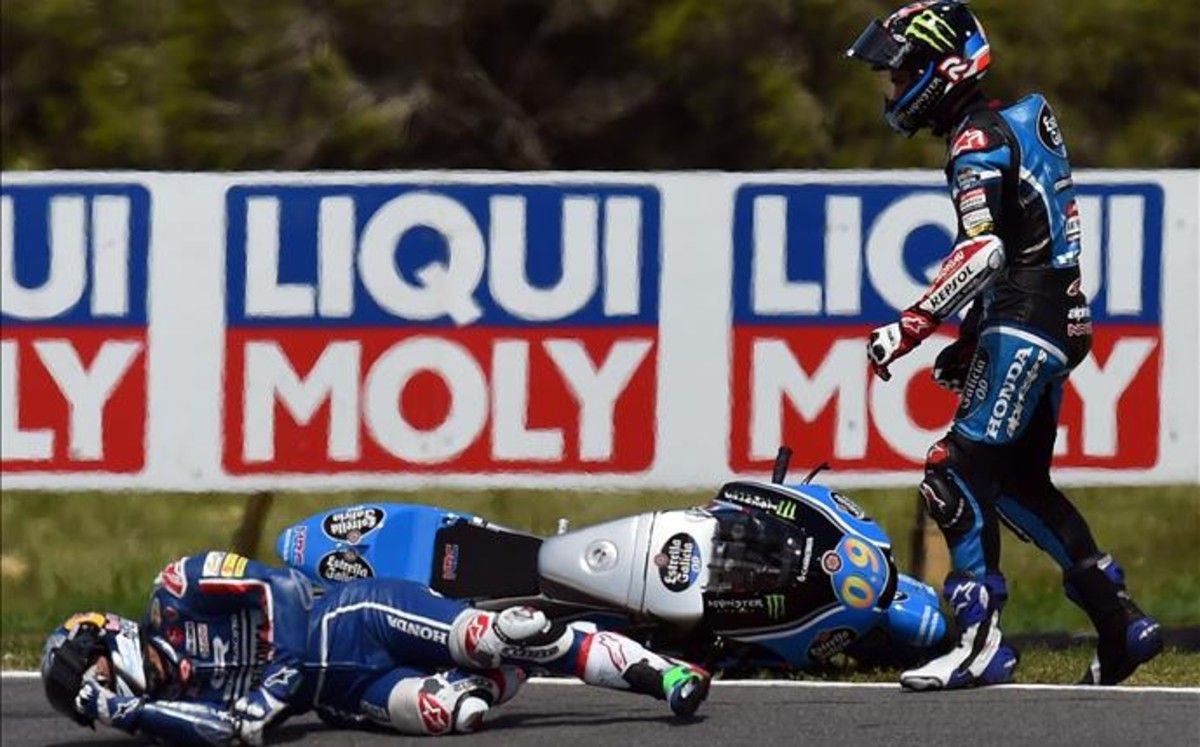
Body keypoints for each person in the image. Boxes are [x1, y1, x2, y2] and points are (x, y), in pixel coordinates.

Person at [845, 1, 1163, 689]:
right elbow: (1027, 236)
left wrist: (912, 324)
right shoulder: (1016, 123)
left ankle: (980, 642)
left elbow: (985, 249)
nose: (890, 89)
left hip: (1024, 317)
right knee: (1016, 484)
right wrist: (969, 339)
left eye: (899, 73)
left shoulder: (974, 141)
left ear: (942, 69)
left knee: (952, 470)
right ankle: (1121, 626)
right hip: (1056, 319)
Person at [40, 551, 711, 744]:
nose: (102, 688)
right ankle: (509, 668)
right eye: (88, 697)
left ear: (106, 637)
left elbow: (281, 587)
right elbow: (227, 731)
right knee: (457, 713)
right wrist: (127, 713)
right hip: (343, 694)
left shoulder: (176, 588)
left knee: (491, 638)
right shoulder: (167, 714)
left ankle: (665, 672)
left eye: (93, 675)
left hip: (355, 618)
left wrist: (278, 675)